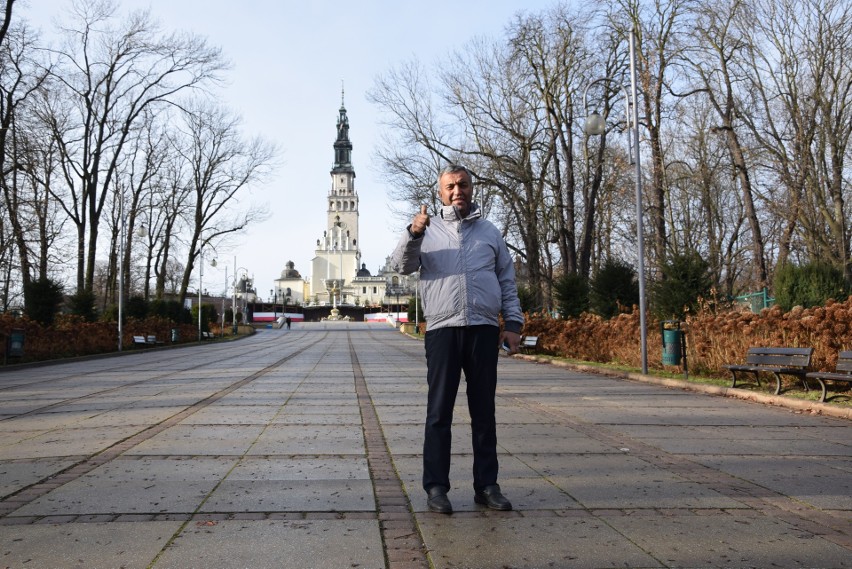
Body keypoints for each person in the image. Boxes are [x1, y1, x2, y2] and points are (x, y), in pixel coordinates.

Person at [391, 164, 523, 514]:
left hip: (482, 329)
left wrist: (512, 322)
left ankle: (487, 485)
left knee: (484, 412)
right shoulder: (427, 231)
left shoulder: (490, 233)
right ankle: (436, 487)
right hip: (442, 330)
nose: (456, 191)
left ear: (471, 189)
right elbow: (400, 265)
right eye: (449, 186)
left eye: (462, 185)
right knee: (439, 413)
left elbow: (507, 281)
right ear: (440, 193)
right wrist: (413, 232)